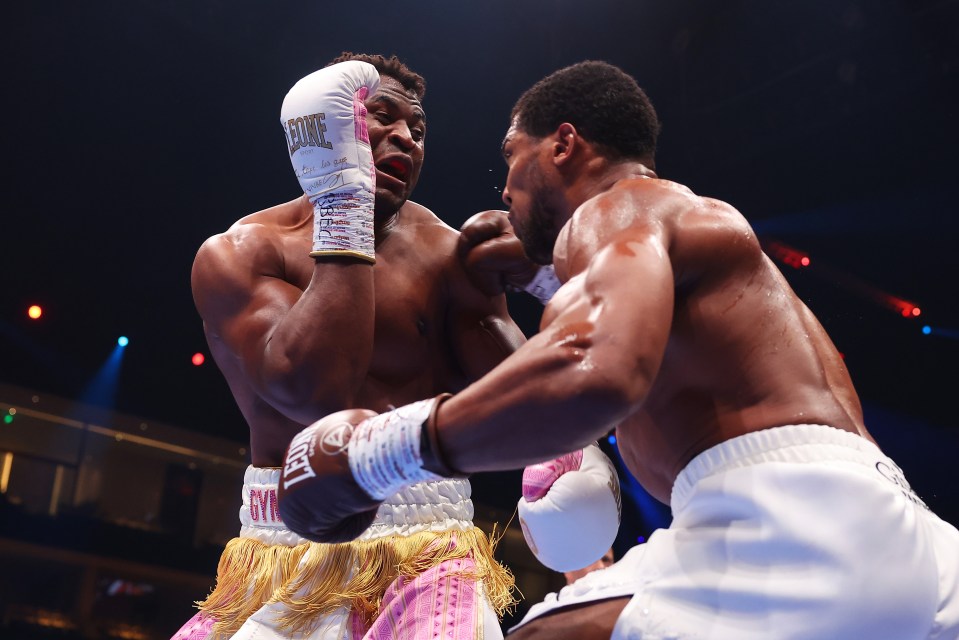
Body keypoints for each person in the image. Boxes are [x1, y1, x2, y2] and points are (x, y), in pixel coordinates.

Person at [276, 60, 959, 640]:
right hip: (899, 533)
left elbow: (590, 372)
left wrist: (373, 454)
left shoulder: (616, 209)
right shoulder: (677, 225)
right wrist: (545, 278)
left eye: (511, 160)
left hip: (789, 524)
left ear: (562, 146)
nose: (505, 191)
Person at [173, 52, 540, 640]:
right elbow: (316, 395)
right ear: (329, 128)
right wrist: (345, 208)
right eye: (383, 117)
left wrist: (550, 281)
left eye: (417, 131)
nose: (404, 138)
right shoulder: (244, 252)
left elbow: (530, 400)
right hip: (277, 544)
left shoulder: (447, 253)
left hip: (426, 542)